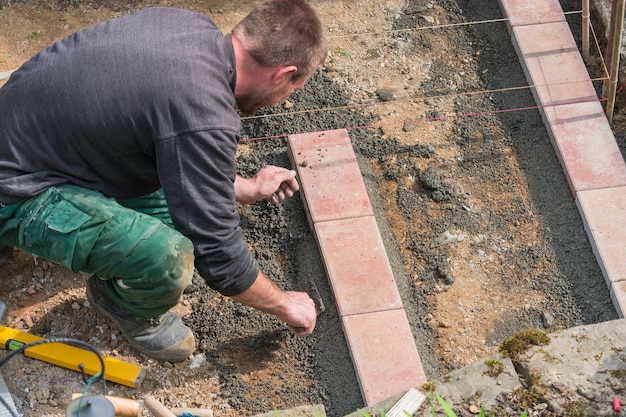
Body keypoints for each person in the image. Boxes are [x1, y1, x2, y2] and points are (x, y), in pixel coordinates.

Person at [0, 0, 327, 362]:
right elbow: (219, 256)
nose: (282, 100)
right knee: (165, 258)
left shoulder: (184, 25)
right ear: (284, 74)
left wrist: (245, 188)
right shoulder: (203, 111)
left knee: (173, 205)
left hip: (28, 135)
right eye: (291, 90)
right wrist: (285, 304)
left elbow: (177, 144)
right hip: (14, 188)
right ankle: (123, 305)